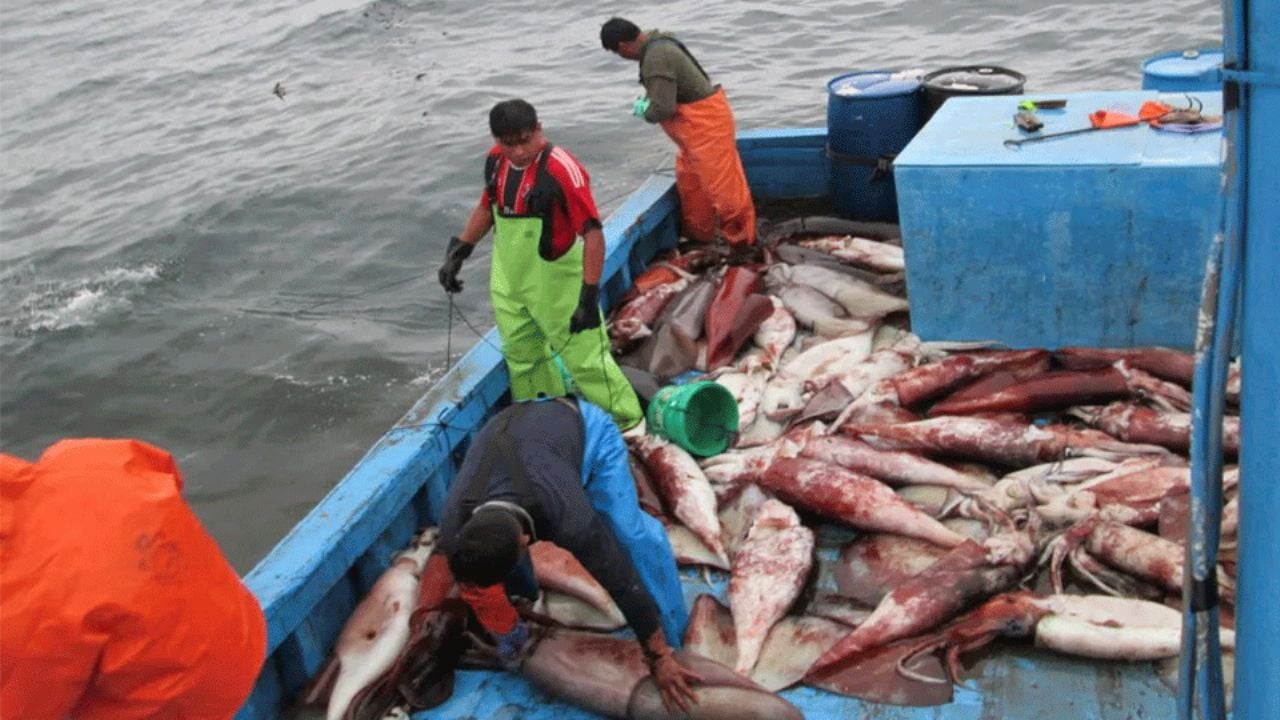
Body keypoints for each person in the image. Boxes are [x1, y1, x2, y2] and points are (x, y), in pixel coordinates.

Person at [419, 396, 701, 711]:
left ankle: (674, 630)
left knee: (630, 535)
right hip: (511, 431)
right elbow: (467, 576)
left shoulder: (569, 517)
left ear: (526, 540)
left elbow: (623, 583)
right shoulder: (454, 519)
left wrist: (658, 658)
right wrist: (507, 635)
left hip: (584, 428)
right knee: (495, 576)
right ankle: (523, 603)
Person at [0, 438, 267, 719]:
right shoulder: (82, 458)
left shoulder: (29, 609)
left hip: (189, 700)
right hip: (243, 626)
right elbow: (167, 473)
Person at [437, 99, 644, 431]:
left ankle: (628, 424)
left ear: (539, 130)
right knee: (522, 355)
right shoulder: (495, 163)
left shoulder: (562, 169)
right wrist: (460, 251)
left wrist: (589, 295)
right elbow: (486, 208)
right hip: (509, 278)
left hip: (557, 280)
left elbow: (593, 234)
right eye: (509, 144)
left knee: (586, 359)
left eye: (525, 140)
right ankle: (543, 421)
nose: (519, 151)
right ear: (495, 140)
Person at [600, 17, 757, 252]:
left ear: (623, 46)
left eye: (619, 53)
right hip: (694, 133)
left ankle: (744, 245)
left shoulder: (655, 57)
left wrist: (644, 111)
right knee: (691, 180)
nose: (623, 57)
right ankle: (701, 237)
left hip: (706, 127)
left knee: (724, 190)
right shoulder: (661, 40)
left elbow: (664, 108)